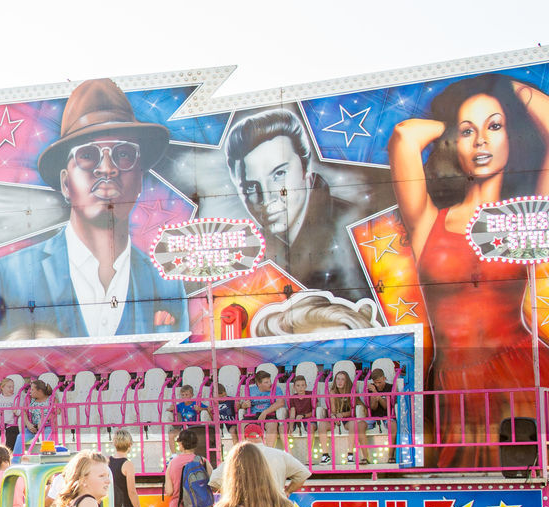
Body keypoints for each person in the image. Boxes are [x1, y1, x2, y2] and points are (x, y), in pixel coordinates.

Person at [389, 74, 549, 469]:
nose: (481, 141)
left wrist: (512, 91)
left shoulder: (524, 217)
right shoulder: (428, 222)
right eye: (468, 132)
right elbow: (403, 136)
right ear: (453, 146)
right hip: (453, 384)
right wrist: (451, 120)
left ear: (512, 136)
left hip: (522, 374)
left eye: (495, 126)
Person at [0, 78, 189, 340]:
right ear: (66, 182)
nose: (107, 168)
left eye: (123, 154)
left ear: (140, 178)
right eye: (88, 155)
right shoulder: (11, 275)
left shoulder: (165, 282)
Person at [224, 108, 372, 302]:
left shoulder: (359, 228)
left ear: (306, 167)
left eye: (279, 174)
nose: (267, 198)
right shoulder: (251, 254)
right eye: (251, 187)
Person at [209, 429, 311, 497]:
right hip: (276, 506)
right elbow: (303, 473)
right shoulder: (280, 455)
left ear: (244, 438)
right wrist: (287, 491)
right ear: (263, 438)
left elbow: (214, 481)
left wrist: (231, 493)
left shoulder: (235, 457)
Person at [164, 428, 210, 507]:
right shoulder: (203, 461)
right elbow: (212, 484)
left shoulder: (172, 463)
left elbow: (169, 491)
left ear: (181, 444)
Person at [355, 368, 398, 464]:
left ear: (384, 378)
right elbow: (373, 407)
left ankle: (391, 456)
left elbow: (386, 406)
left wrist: (376, 393)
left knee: (393, 425)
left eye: (379, 382)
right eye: (376, 383)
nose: (378, 385)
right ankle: (365, 457)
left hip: (387, 416)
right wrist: (373, 393)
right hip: (373, 417)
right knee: (359, 425)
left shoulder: (390, 387)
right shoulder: (371, 388)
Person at [238, 372, 284, 448]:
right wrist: (244, 405)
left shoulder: (276, 389)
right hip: (252, 415)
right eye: (266, 382)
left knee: (272, 425)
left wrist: (265, 412)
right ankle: (245, 451)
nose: (270, 384)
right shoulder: (250, 390)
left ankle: (269, 452)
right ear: (259, 384)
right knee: (242, 425)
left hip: (269, 414)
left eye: (270, 381)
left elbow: (280, 402)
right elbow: (241, 405)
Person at [16, 380, 53, 455]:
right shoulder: (30, 399)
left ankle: (47, 457)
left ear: (39, 391)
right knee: (20, 437)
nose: (30, 391)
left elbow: (56, 412)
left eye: (32, 389)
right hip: (33, 427)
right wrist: (28, 424)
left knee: (47, 437)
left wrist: (43, 420)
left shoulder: (51, 399)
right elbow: (23, 411)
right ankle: (15, 461)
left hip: (47, 426)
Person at [0, 378, 21, 450]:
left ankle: (8, 458)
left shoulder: (16, 398)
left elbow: (22, 413)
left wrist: (17, 411)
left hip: (11, 426)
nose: (12, 389)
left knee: (10, 441)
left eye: (13, 387)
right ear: (2, 387)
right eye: (9, 387)